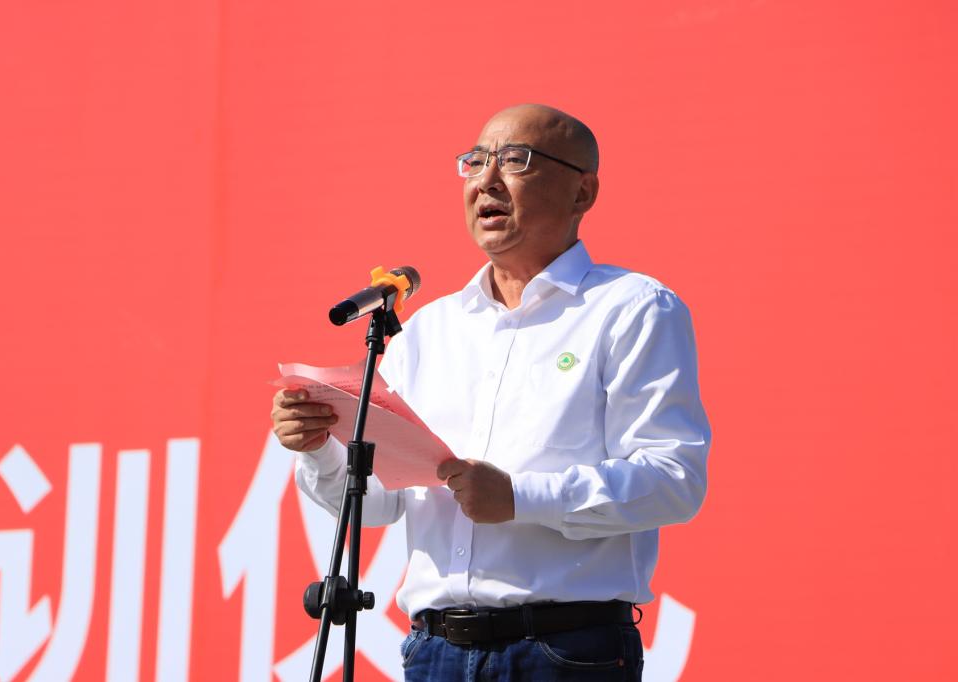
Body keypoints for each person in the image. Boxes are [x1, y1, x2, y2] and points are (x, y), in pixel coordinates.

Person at [271, 104, 711, 681]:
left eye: (515, 160)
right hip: (434, 653)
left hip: (564, 652)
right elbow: (379, 502)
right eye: (476, 162)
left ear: (582, 191)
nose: (487, 181)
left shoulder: (630, 308)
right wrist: (319, 449)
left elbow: (673, 481)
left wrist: (520, 497)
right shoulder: (430, 331)